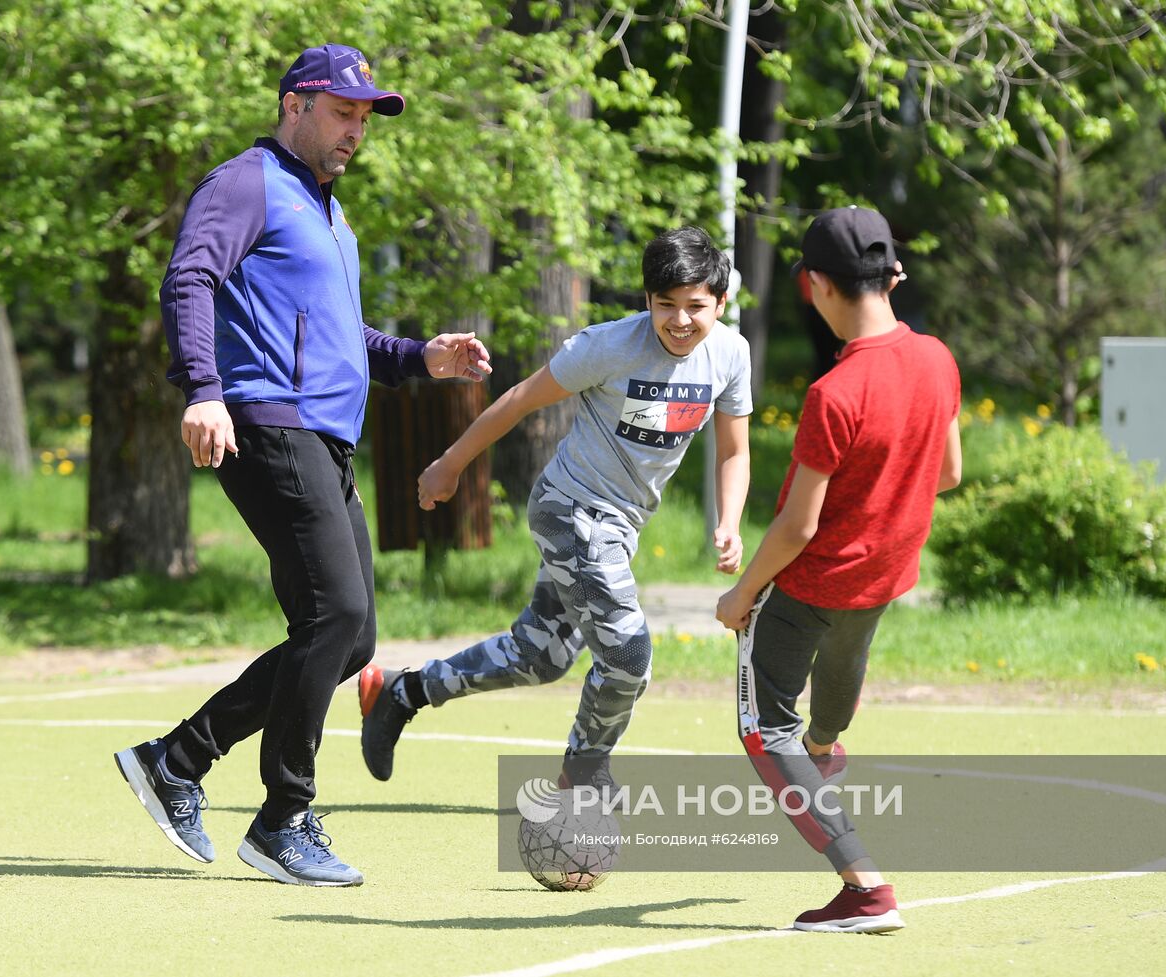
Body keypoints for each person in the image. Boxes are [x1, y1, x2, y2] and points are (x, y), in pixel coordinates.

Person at [113, 43, 491, 888]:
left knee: (350, 633)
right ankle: (283, 816)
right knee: (338, 612)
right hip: (263, 420)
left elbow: (337, 333)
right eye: (343, 111)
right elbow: (190, 276)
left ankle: (177, 760)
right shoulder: (246, 181)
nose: (356, 129)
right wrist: (202, 390)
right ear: (294, 106)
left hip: (322, 432)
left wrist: (417, 357)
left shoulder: (327, 211)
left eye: (365, 117)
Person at [358, 226, 753, 789]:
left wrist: (730, 521)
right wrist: (450, 464)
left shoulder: (730, 355)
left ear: (719, 302)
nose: (681, 321)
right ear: (647, 301)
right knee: (628, 656)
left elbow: (734, 450)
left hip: (620, 527)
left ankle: (403, 691)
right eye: (666, 305)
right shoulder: (608, 347)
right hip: (571, 509)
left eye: (696, 306)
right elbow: (518, 399)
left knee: (539, 655)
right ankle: (583, 774)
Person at [715, 205, 962, 933]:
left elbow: (799, 525)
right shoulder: (939, 359)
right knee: (826, 708)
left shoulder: (836, 392)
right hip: (884, 580)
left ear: (817, 284)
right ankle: (823, 753)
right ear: (893, 275)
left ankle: (865, 888)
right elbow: (948, 472)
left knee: (765, 731)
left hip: (810, 587)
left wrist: (742, 592)